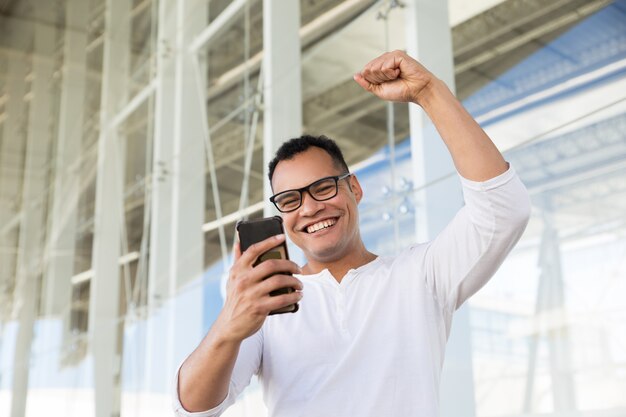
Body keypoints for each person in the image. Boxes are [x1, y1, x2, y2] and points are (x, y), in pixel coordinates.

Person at [173, 50, 531, 417]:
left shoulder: (421, 276)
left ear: (354, 189)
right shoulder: (266, 306)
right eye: (290, 199)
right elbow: (191, 409)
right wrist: (228, 326)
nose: (310, 208)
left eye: (324, 187)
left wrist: (429, 92)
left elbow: (503, 209)